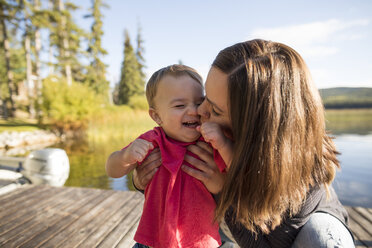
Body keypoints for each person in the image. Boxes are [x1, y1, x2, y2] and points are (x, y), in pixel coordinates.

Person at [133, 40, 355, 248]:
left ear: (256, 126)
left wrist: (224, 189)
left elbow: (268, 244)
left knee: (321, 236)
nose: (200, 111)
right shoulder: (211, 132)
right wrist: (143, 178)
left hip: (288, 239)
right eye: (205, 98)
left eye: (215, 109)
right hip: (223, 235)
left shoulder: (305, 173)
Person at [105, 64, 230, 248]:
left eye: (198, 102)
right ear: (157, 116)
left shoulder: (210, 142)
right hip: (154, 240)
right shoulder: (153, 141)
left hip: (201, 240)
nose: (194, 111)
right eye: (180, 105)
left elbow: (236, 176)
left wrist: (224, 144)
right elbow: (112, 170)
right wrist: (125, 156)